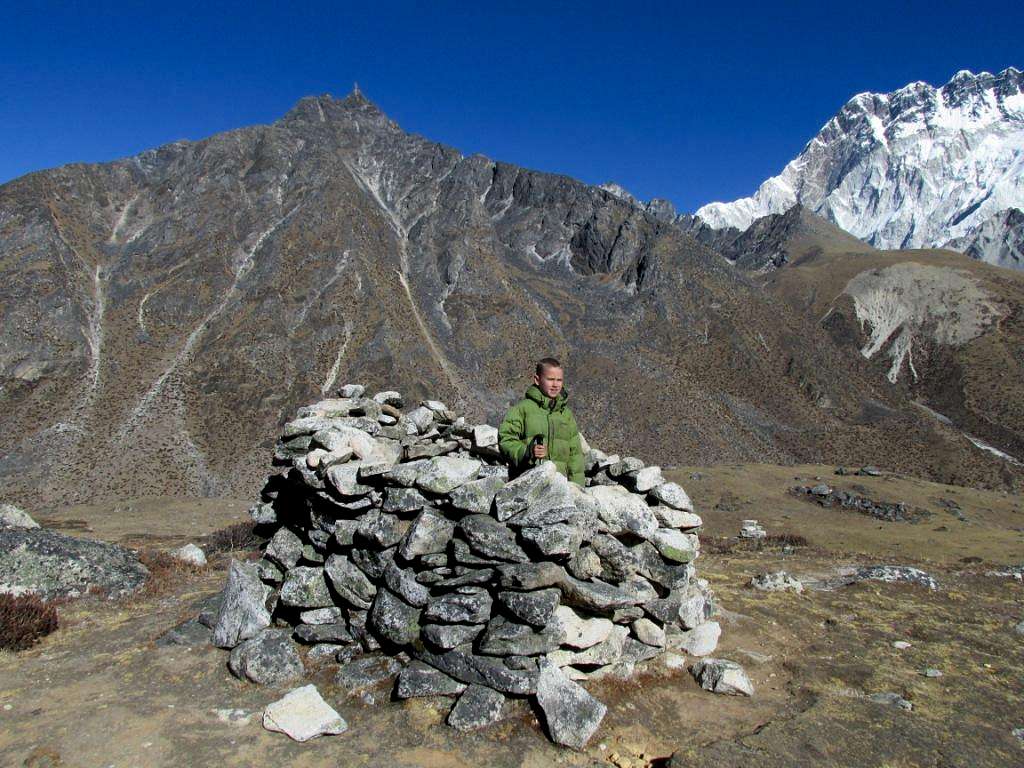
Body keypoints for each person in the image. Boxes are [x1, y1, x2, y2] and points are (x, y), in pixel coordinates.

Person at [498, 357, 585, 486]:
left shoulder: (566, 415)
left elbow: (575, 456)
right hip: (527, 486)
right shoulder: (523, 409)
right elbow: (506, 440)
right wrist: (528, 452)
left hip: (560, 489)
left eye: (559, 380)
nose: (555, 385)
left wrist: (578, 489)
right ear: (537, 380)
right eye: (550, 379)